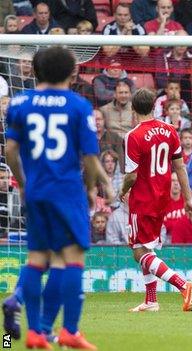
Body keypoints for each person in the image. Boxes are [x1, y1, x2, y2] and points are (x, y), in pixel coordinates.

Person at [4, 46, 113, 349]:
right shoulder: (78, 106)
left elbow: (10, 151)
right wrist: (93, 188)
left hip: (36, 190)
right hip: (66, 191)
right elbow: (90, 157)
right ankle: (70, 330)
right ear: (71, 72)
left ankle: (36, 332)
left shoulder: (20, 102)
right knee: (72, 259)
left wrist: (24, 182)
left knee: (38, 258)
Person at [118, 88, 192, 313]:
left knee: (139, 252)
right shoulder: (170, 130)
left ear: (133, 109)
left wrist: (121, 190)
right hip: (162, 199)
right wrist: (188, 199)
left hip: (143, 200)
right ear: (155, 106)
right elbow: (180, 166)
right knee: (146, 247)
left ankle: (183, 285)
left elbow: (132, 175)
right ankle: (151, 300)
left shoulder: (133, 136)